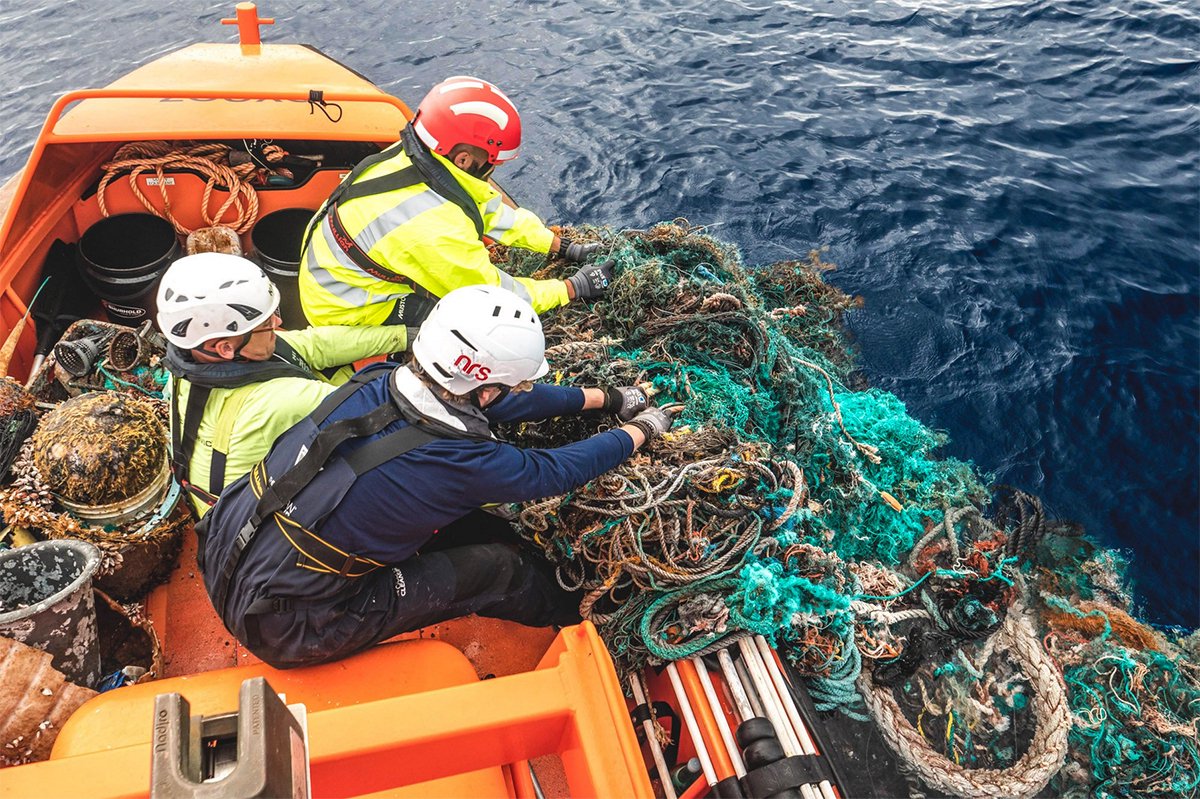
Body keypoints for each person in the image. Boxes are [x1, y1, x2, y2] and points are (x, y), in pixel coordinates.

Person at [197, 285, 676, 669]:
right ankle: (584, 618)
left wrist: (605, 399)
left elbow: (500, 401)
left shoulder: (376, 380)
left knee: (457, 517)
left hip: (226, 550)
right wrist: (640, 429)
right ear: (483, 385)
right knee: (499, 569)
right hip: (296, 628)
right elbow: (554, 471)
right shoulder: (465, 462)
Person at [298, 75, 614, 329]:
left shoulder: (415, 159)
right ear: (463, 159)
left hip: (334, 274)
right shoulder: (434, 228)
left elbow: (486, 208)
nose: (496, 169)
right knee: (459, 323)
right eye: (493, 161)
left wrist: (558, 246)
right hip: (344, 311)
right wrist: (572, 288)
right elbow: (492, 296)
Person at [157, 252, 411, 516]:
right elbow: (374, 410)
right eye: (267, 323)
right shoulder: (278, 400)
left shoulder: (189, 364)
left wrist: (404, 336)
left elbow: (314, 345)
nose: (278, 323)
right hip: (248, 518)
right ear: (225, 348)